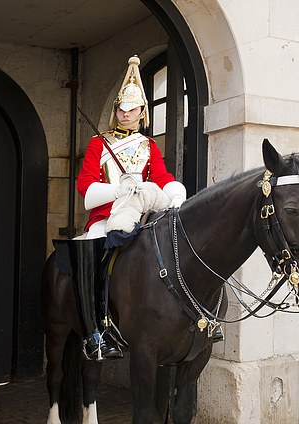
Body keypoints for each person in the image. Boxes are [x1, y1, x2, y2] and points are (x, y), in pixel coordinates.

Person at [68, 55, 187, 361]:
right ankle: (95, 333)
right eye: (121, 108)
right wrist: (115, 189)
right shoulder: (99, 143)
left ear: (142, 112)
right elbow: (85, 185)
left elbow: (161, 177)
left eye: (131, 109)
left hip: (141, 212)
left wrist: (174, 193)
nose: (125, 114)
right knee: (90, 255)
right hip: (105, 215)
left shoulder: (150, 146)